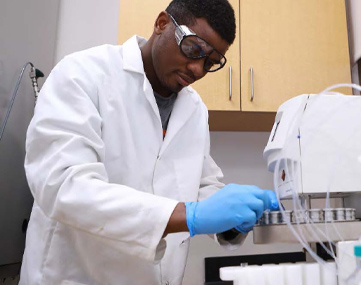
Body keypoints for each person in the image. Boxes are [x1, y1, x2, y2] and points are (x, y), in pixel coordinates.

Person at [19, 0, 278, 284]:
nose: (197, 69)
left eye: (210, 63)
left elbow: (200, 184)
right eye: (193, 49)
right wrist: (190, 215)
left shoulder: (194, 109)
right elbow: (63, 187)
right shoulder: (83, 75)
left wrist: (234, 218)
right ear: (162, 24)